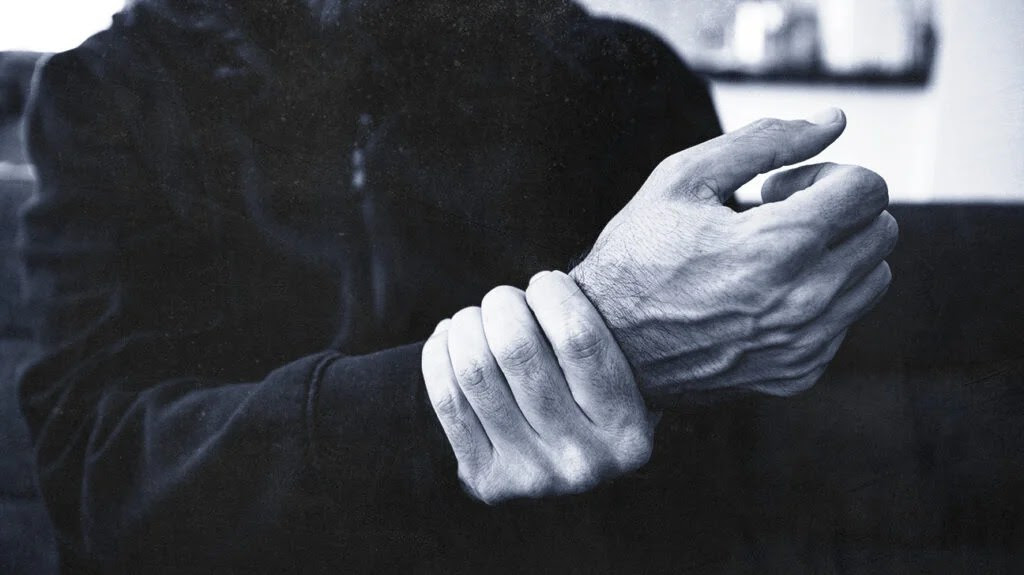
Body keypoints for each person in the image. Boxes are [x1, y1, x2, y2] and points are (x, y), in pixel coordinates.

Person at [17, 0, 895, 572]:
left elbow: (718, 487)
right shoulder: (109, 91)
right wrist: (605, 336)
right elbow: (106, 475)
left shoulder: (622, 77)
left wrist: (775, 292)